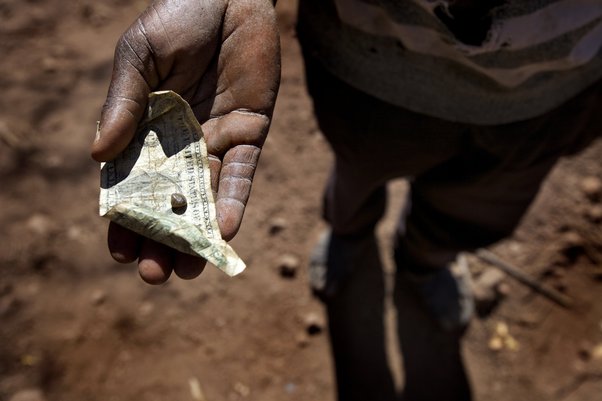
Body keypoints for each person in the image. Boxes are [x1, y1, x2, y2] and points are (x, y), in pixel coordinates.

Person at [91, 1, 602, 400]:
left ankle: (426, 262)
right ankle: (350, 236)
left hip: (551, 97)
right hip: (371, 72)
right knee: (356, 179)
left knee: (474, 210)